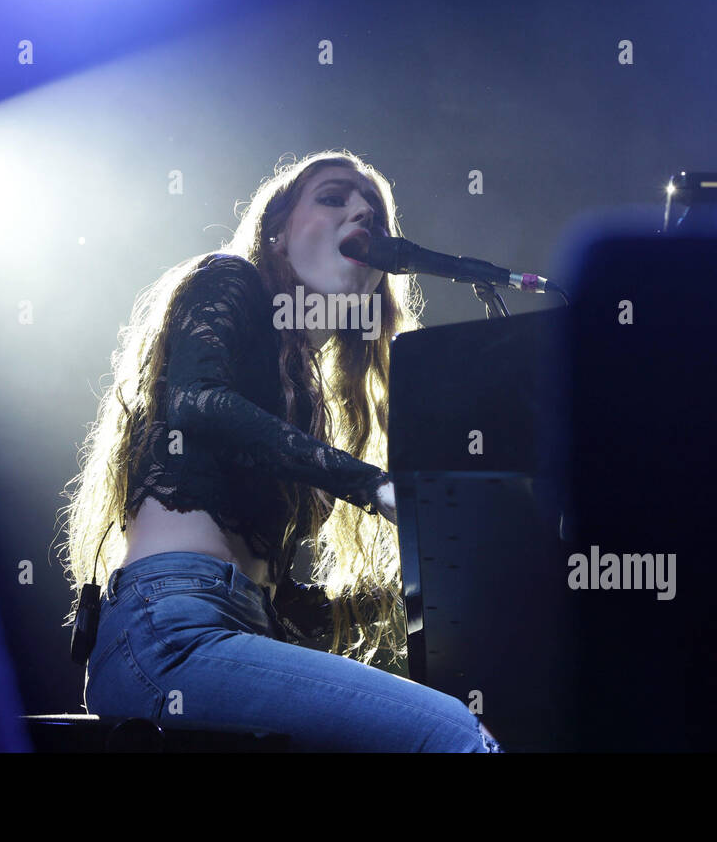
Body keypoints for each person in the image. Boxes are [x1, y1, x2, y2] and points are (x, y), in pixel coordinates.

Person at [58, 149, 504, 752]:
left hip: (220, 627)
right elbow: (195, 400)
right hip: (169, 629)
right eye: (333, 197)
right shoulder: (227, 277)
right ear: (276, 234)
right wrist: (378, 488)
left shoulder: (298, 395)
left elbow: (279, 600)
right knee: (454, 734)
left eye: (375, 210)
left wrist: (419, 587)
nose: (363, 215)